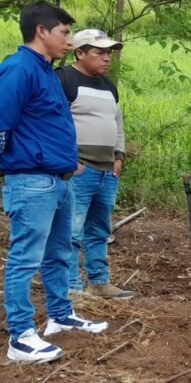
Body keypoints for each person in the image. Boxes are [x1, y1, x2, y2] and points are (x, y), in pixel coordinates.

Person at [0, 1, 108, 363]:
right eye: (64, 32)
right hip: (31, 181)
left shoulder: (47, 71)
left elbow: (46, 123)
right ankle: (20, 336)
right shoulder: (18, 69)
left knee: (60, 252)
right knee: (25, 259)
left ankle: (60, 316)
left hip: (59, 180)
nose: (69, 40)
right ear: (41, 31)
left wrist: (67, 160)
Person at [57, 28, 133, 299]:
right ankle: (71, 286)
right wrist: (69, 160)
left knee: (99, 230)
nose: (106, 58)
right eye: (99, 52)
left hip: (107, 170)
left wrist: (119, 156)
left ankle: (99, 281)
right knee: (71, 229)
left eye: (108, 53)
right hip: (78, 169)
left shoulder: (109, 86)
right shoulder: (64, 80)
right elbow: (54, 124)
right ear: (79, 53)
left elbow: (117, 122)